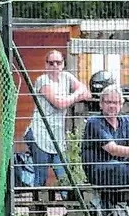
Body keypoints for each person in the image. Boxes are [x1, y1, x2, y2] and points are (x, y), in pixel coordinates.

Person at [26, 50, 92, 188]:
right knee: (40, 177)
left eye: (58, 62)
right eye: (51, 63)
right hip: (40, 133)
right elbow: (59, 103)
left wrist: (72, 96)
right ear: (46, 65)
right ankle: (38, 208)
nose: (55, 66)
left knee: (64, 176)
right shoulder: (42, 80)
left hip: (58, 135)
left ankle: (69, 207)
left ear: (63, 64)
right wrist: (76, 95)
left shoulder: (67, 77)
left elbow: (87, 93)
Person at [80, 83, 129, 213]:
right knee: (121, 168)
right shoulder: (94, 122)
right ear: (101, 104)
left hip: (120, 167)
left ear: (121, 104)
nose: (112, 106)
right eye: (108, 102)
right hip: (98, 170)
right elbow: (112, 149)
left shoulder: (126, 121)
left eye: (116, 102)